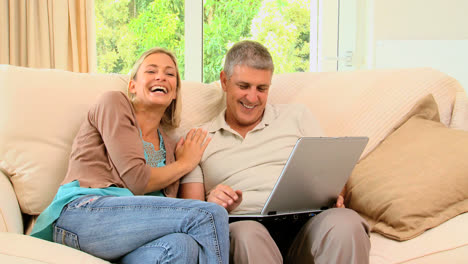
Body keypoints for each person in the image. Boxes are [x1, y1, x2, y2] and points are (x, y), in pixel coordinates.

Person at [30, 47, 229, 264]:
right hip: (84, 216)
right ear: (132, 85)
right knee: (211, 215)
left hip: (131, 241)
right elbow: (136, 179)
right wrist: (185, 164)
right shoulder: (113, 103)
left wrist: (207, 189)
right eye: (151, 71)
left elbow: (184, 209)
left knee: (182, 246)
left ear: (174, 93)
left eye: (170, 74)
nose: (161, 76)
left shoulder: (172, 149)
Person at [179, 40, 371, 264]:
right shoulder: (198, 138)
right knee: (248, 235)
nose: (252, 98)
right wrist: (212, 203)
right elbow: (191, 215)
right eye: (244, 86)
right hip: (244, 228)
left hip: (307, 226)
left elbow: (334, 176)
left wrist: (334, 193)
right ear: (224, 81)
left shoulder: (297, 116)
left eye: (262, 89)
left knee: (346, 222)